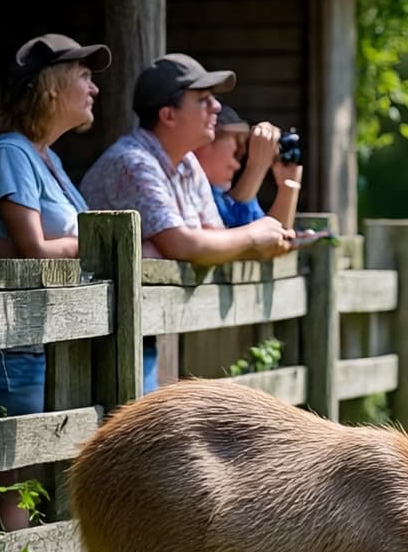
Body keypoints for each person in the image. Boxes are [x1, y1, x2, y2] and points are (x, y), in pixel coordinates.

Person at [0, 32, 112, 530]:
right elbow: (36, 250)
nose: (93, 88)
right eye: (84, 75)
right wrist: (92, 245)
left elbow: (31, 244)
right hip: (10, 344)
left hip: (40, 341)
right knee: (10, 468)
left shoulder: (48, 159)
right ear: (50, 87)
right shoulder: (12, 153)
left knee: (27, 468)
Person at [80, 53, 294, 392]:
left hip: (132, 333)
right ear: (168, 115)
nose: (217, 108)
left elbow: (214, 237)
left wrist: (240, 237)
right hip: (94, 344)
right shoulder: (132, 162)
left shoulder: (187, 165)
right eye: (203, 100)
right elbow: (182, 244)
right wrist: (255, 234)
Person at [193, 105, 303, 228]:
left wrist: (287, 187)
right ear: (205, 143)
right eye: (236, 151)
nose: (237, 165)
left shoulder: (221, 196)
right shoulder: (191, 191)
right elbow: (234, 240)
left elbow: (274, 241)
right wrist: (256, 168)